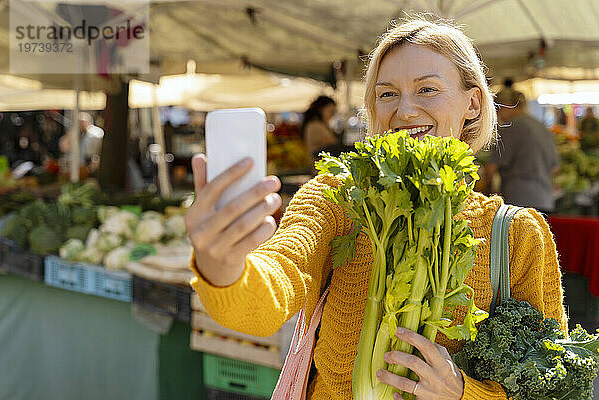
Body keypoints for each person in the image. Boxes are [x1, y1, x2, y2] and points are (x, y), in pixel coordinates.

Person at [185, 18, 567, 400]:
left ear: (472, 103)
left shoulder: (518, 236)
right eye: (386, 95)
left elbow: (555, 385)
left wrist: (464, 393)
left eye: (427, 89)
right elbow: (273, 288)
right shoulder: (338, 198)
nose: (404, 111)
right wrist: (223, 266)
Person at [482, 88, 560, 213]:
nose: (497, 115)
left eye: (498, 109)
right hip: (544, 200)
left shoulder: (510, 126)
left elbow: (491, 168)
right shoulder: (542, 127)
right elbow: (555, 168)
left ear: (507, 105)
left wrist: (484, 193)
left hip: (519, 200)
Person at [302, 96, 338, 163]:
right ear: (321, 110)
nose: (332, 115)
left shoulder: (319, 125)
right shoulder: (315, 126)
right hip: (321, 168)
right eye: (331, 111)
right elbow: (330, 145)